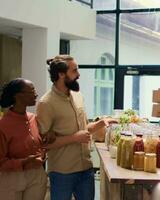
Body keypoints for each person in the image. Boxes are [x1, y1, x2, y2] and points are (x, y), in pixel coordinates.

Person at [36, 55, 116, 200]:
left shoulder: (78, 96)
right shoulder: (46, 103)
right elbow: (44, 143)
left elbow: (84, 129)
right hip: (62, 172)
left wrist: (102, 123)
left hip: (86, 168)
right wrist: (74, 138)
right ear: (61, 74)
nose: (78, 75)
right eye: (74, 71)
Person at [0, 78, 47, 200]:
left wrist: (43, 150)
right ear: (18, 96)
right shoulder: (3, 125)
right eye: (31, 91)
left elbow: (40, 143)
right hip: (12, 177)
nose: (36, 94)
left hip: (37, 175)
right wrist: (24, 162)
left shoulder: (34, 119)